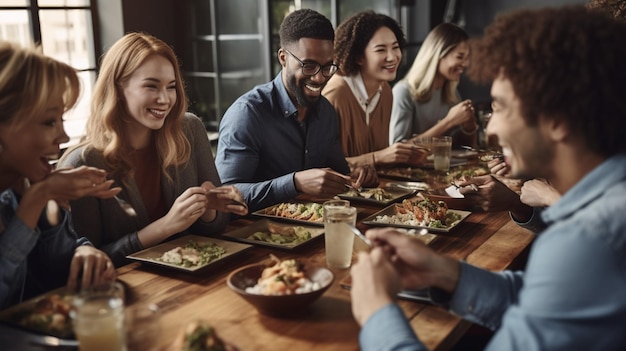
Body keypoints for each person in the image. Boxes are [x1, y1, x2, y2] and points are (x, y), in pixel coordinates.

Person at [351, 6, 626, 350]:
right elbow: (541, 300)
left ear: (558, 121)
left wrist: (377, 312)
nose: (491, 128)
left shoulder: (587, 241)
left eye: (501, 108)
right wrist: (444, 272)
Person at [59, 33, 247, 267]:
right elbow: (87, 263)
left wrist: (207, 210)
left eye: (171, 87)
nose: (165, 99)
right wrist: (165, 226)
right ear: (118, 87)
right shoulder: (82, 164)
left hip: (196, 279)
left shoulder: (190, 129)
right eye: (151, 86)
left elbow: (216, 226)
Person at [215, 9, 378, 212]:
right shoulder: (247, 114)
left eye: (327, 67)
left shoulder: (326, 112)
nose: (319, 78)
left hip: (312, 231)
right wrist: (293, 183)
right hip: (254, 235)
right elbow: (224, 195)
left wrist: (358, 175)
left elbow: (339, 175)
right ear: (283, 58)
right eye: (308, 66)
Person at [0, 42, 117, 309]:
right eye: (49, 122)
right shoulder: (32, 191)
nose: (63, 137)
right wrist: (37, 198)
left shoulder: (21, 184)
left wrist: (83, 251)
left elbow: (53, 273)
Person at [322, 11, 427, 169]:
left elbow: (380, 162)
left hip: (374, 190)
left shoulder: (385, 91)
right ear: (358, 57)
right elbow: (324, 167)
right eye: (381, 50)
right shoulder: (336, 94)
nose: (392, 57)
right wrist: (379, 157)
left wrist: (401, 158)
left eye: (395, 47)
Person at [389, 22, 477, 147]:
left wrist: (469, 127)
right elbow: (397, 149)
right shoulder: (403, 92)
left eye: (467, 58)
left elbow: (461, 149)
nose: (466, 64)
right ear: (438, 54)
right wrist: (448, 122)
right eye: (460, 56)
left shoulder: (452, 95)